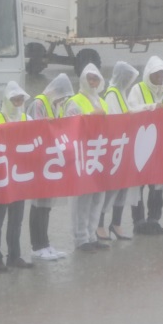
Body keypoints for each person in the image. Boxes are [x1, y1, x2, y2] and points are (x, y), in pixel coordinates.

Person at [0, 81, 35, 271]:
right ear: (6, 100)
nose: (17, 102)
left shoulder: (27, 119)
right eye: (14, 99)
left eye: (20, 99)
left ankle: (14, 255)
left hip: (20, 178)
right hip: (0, 180)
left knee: (16, 219)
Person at [127, 55, 163, 235]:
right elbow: (130, 111)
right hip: (140, 144)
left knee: (157, 185)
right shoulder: (137, 90)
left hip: (162, 146)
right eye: (156, 73)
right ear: (149, 74)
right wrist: (152, 107)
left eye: (162, 73)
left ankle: (154, 219)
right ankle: (138, 221)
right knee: (138, 184)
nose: (160, 76)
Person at [26, 73, 73, 261]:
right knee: (38, 205)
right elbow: (35, 129)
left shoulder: (56, 105)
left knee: (46, 205)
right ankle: (36, 246)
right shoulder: (38, 103)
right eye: (61, 96)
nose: (62, 100)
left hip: (51, 160)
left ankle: (45, 243)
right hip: (39, 160)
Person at [64, 63, 109, 252]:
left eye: (95, 79)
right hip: (82, 154)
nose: (92, 82)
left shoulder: (103, 101)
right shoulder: (74, 101)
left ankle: (92, 235)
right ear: (83, 80)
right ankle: (81, 239)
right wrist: (92, 115)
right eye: (90, 78)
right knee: (82, 199)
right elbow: (70, 125)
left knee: (98, 197)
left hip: (100, 153)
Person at [96, 61, 139, 241]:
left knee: (123, 186)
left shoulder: (121, 93)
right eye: (128, 77)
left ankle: (116, 223)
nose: (129, 80)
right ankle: (99, 224)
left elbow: (129, 113)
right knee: (110, 188)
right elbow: (115, 119)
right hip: (114, 148)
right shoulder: (112, 94)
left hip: (124, 146)